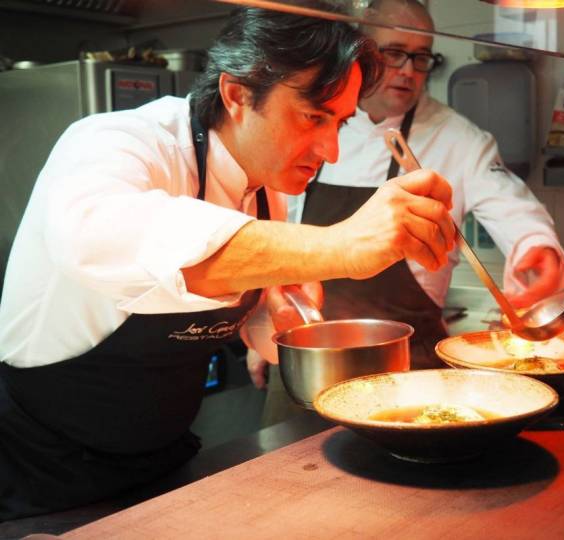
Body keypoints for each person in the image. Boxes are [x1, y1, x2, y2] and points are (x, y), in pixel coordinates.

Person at [0, 2, 457, 520]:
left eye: (340, 123)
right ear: (237, 93)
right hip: (42, 476)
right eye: (313, 117)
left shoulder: (262, 190)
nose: (330, 150)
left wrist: (281, 318)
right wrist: (342, 247)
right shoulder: (114, 141)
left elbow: (239, 305)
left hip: (163, 465)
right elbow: (106, 240)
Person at [247, 0, 564, 415]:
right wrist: (262, 331)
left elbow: (515, 207)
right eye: (394, 53)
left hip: (410, 372)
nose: (408, 71)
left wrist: (536, 246)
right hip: (306, 361)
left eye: (421, 57)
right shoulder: (305, 127)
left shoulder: (459, 138)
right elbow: (277, 233)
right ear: (360, 50)